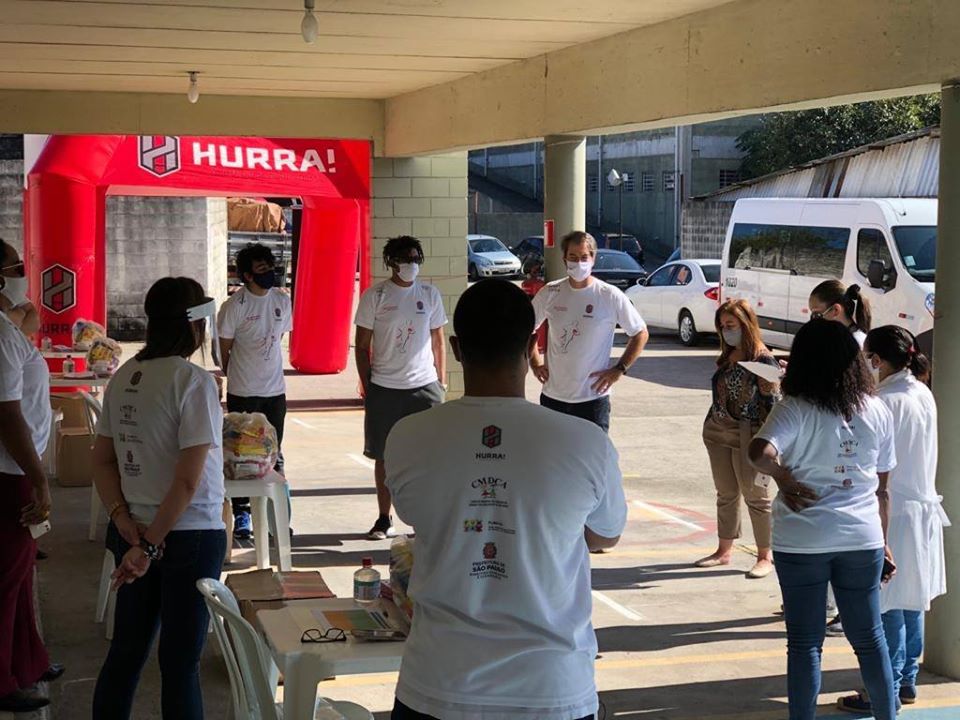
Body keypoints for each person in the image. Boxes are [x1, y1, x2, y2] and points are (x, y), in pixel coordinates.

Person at [385, 279, 626, 719]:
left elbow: (419, 515)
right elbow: (604, 537)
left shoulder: (408, 436)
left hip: (437, 685)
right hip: (551, 689)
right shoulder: (585, 442)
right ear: (534, 342)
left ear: (456, 348)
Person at [748, 319, 898, 720]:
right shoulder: (877, 409)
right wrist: (882, 542)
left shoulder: (794, 407)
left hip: (802, 539)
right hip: (861, 537)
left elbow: (760, 451)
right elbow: (883, 490)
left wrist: (783, 478)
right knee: (870, 639)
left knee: (804, 644)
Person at [92, 277, 226, 720]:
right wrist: (150, 544)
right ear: (194, 325)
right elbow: (188, 482)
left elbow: (104, 462)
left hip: (132, 530)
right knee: (180, 663)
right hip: (188, 535)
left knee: (127, 652)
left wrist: (127, 526)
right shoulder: (193, 382)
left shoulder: (125, 375)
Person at [838, 326, 948, 714]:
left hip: (891, 511)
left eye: (867, 358)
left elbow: (865, 459)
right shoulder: (922, 392)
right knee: (911, 601)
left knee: (886, 606)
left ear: (877, 360)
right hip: (918, 511)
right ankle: (906, 682)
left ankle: (881, 690)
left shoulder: (883, 401)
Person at [355, 235, 446, 540]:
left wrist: (440, 382)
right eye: (406, 259)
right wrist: (369, 384)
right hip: (385, 387)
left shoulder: (430, 294)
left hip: (425, 386)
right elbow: (362, 345)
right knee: (384, 455)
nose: (412, 264)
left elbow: (438, 341)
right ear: (391, 262)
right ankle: (384, 517)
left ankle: (428, 518)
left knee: (431, 455)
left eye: (416, 258)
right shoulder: (375, 296)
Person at [530, 230, 649, 432]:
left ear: (593, 258)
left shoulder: (609, 295)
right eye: (573, 258)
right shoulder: (550, 292)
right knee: (554, 458)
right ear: (564, 259)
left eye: (584, 257)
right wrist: (535, 363)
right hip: (553, 397)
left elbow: (640, 333)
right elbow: (527, 329)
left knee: (593, 461)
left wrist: (619, 369)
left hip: (593, 400)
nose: (579, 263)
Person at [696, 299, 778, 579]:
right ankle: (723, 550)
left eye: (731, 325)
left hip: (749, 433)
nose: (726, 330)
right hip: (718, 431)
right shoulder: (728, 354)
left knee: (756, 495)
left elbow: (772, 401)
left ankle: (765, 556)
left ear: (746, 325)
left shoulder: (762, 359)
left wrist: (769, 444)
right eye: (722, 326)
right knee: (726, 493)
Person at [0, 306, 55, 713]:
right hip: (10, 469)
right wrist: (37, 478)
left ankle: (26, 662)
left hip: (17, 465)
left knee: (20, 575)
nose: (20, 276)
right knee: (6, 579)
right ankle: (2, 680)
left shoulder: (7, 327)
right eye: (14, 268)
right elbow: (7, 413)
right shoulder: (1, 336)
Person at [218, 243, 292, 540]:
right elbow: (224, 349)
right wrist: (234, 373)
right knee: (240, 456)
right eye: (261, 270)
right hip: (243, 391)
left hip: (274, 391)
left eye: (270, 268)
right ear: (247, 276)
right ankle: (242, 515)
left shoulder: (282, 301)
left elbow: (278, 337)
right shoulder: (234, 307)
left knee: (274, 453)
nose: (268, 275)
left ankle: (278, 516)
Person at [809, 280, 872, 346]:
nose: (813, 322)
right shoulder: (842, 340)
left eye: (816, 315)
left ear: (836, 310)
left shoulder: (851, 345)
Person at [0, 239, 40, 337]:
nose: (21, 275)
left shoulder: (13, 299)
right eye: (18, 268)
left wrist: (11, 315)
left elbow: (35, 320)